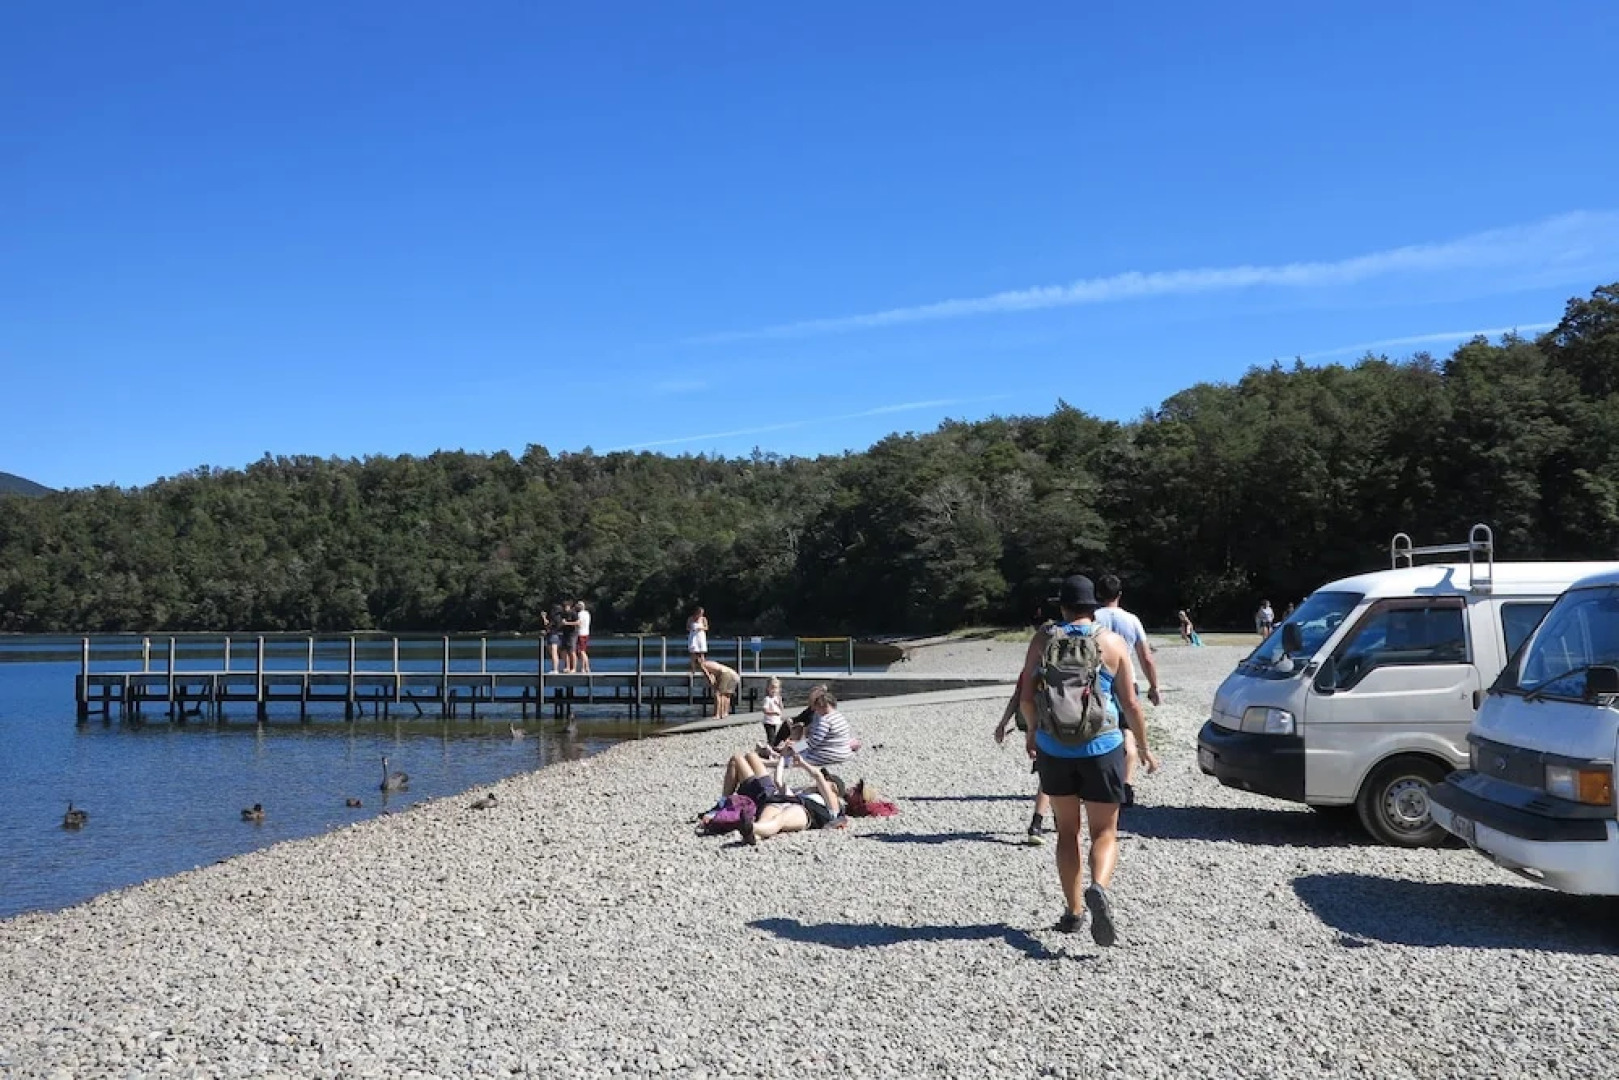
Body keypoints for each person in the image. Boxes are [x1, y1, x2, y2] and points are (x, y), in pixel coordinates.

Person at [1021, 575, 1159, 945]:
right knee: (1104, 831)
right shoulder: (1111, 642)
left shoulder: (1043, 639)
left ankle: (1073, 912)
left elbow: (1026, 696)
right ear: (1093, 607)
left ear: (1063, 606)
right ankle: (1098, 887)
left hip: (1054, 748)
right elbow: (1131, 703)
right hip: (1103, 747)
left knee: (1067, 832)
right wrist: (1143, 747)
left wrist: (1033, 732)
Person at [1093, 574, 1162, 807]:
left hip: (1099, 682)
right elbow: (1146, 657)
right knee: (1127, 732)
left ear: (1097, 594)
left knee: (1098, 730)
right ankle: (1127, 783)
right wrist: (1154, 686)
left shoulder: (1092, 618)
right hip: (1126, 680)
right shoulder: (1132, 620)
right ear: (1120, 595)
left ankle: (1098, 781)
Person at [993, 672, 1052, 845]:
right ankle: (1038, 822)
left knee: (1048, 773)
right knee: (1050, 774)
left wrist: (1003, 723)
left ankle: (1044, 820)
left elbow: (1019, 695)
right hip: (1056, 723)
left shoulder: (1033, 667)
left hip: (1032, 721)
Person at [796, 685, 854, 767]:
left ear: (822, 706)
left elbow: (813, 743)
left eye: (816, 708)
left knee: (790, 758)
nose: (815, 711)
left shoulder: (825, 720)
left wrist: (795, 747)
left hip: (828, 755)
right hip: (844, 752)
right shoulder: (839, 716)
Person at [761, 676, 787, 746]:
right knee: (771, 738)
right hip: (768, 722)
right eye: (772, 688)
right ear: (768, 689)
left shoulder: (777, 698)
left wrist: (780, 702)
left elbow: (781, 709)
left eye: (776, 688)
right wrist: (774, 713)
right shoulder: (767, 699)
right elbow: (765, 710)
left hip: (775, 721)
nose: (774, 690)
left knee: (774, 737)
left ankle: (771, 747)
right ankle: (770, 748)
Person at [688, 606, 709, 674]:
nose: (701, 614)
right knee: (693, 653)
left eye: (702, 613)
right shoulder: (690, 618)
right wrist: (692, 629)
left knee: (701, 653)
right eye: (700, 613)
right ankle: (693, 669)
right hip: (693, 636)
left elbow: (706, 627)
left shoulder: (703, 619)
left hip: (701, 636)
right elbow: (687, 627)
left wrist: (701, 628)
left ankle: (703, 669)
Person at [546, 603, 565, 674]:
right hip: (559, 635)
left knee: (554, 653)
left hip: (553, 635)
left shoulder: (555, 618)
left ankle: (555, 669)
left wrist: (545, 619)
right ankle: (561, 668)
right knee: (557, 652)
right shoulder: (561, 618)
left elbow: (548, 626)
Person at [575, 600, 593, 674]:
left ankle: (587, 667)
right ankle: (583, 668)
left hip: (581, 633)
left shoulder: (580, 614)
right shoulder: (587, 613)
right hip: (586, 633)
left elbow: (578, 623)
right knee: (583, 651)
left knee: (582, 651)